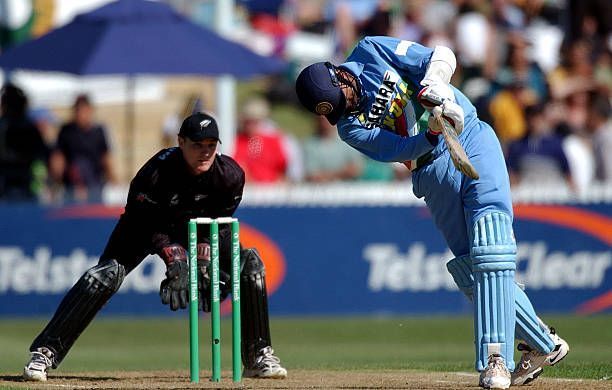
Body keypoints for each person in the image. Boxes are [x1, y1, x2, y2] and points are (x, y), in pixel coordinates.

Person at [295, 36, 569, 389]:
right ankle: (542, 343)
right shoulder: (349, 127)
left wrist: (435, 85)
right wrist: (434, 131)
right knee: (472, 269)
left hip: (470, 137)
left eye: (340, 102)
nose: (342, 111)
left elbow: (441, 55)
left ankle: (495, 360)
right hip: (431, 170)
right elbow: (400, 147)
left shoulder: (371, 50)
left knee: (492, 248)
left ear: (340, 77)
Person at [23, 112, 287, 381]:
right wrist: (175, 259)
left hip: (196, 227)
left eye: (211, 145)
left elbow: (218, 225)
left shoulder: (230, 176)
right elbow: (145, 223)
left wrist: (205, 263)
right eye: (197, 145)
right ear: (180, 142)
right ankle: (44, 353)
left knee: (250, 263)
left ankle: (258, 356)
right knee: (103, 276)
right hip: (144, 226)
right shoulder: (155, 172)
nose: (205, 152)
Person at [49, 94, 115, 202]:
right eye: (77, 110)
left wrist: (113, 180)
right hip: (71, 187)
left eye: (83, 110)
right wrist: (55, 180)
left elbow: (106, 157)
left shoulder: (99, 131)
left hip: (95, 186)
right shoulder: (66, 131)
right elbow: (58, 157)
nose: (80, 114)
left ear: (90, 110)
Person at [0, 83, 48, 201]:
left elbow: (41, 158)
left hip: (27, 187)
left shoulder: (29, 128)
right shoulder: (5, 127)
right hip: (7, 187)